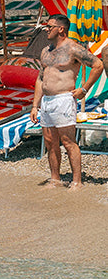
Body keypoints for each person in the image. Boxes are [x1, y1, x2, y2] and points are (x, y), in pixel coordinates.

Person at [30, 14, 103, 188]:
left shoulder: (73, 49)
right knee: (49, 141)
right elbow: (40, 78)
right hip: (47, 101)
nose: (46, 30)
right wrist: (35, 105)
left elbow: (98, 65)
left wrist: (84, 89)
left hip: (63, 99)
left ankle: (77, 182)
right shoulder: (45, 51)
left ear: (60, 29)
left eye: (49, 26)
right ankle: (55, 178)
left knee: (68, 141)